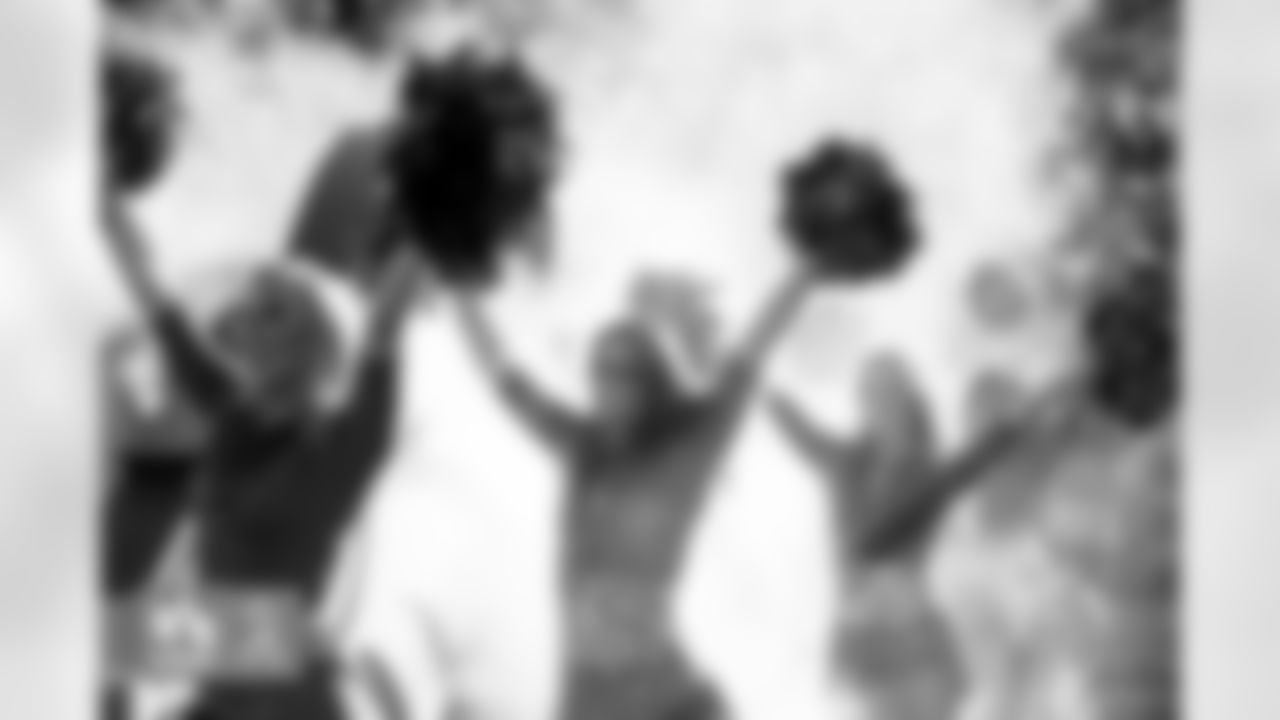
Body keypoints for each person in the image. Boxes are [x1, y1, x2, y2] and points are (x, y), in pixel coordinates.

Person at [100, 175, 423, 720]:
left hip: (283, 691)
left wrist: (433, 226)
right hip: (232, 671)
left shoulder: (340, 448)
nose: (240, 328)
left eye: (264, 316)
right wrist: (105, 208)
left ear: (300, 345)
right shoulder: (233, 414)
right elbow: (153, 293)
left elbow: (385, 327)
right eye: (244, 317)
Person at [455, 265, 814, 720]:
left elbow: (747, 358)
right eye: (599, 369)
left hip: (669, 704)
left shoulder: (688, 450)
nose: (606, 382)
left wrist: (809, 267)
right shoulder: (582, 449)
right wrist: (454, 274)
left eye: (622, 370)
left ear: (649, 380)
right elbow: (504, 380)